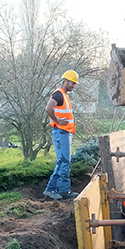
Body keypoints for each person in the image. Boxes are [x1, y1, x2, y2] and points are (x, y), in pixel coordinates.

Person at [44, 70, 78, 200]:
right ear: (66, 81)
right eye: (72, 83)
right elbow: (48, 108)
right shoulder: (58, 94)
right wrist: (57, 120)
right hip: (61, 131)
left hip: (65, 132)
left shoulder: (63, 95)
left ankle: (63, 189)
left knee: (65, 162)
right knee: (64, 161)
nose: (74, 86)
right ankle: (51, 189)